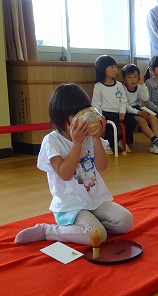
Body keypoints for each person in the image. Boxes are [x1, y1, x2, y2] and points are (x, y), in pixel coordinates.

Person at [14, 83, 133, 245]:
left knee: (125, 220)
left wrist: (97, 138)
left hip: (94, 200)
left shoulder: (89, 137)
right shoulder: (52, 141)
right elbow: (65, 173)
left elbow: (102, 166)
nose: (83, 121)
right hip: (70, 206)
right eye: (75, 116)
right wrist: (77, 143)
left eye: (84, 113)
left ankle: (90, 229)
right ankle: (48, 230)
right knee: (96, 235)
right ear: (60, 118)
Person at [92, 55, 137, 155]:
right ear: (103, 69)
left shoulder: (119, 85)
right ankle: (107, 143)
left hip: (119, 112)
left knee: (132, 121)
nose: (115, 70)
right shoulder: (98, 86)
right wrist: (99, 116)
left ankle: (121, 141)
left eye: (115, 67)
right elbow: (96, 103)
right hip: (106, 113)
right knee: (112, 121)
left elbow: (123, 100)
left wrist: (122, 112)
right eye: (111, 67)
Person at [121, 63, 158, 154]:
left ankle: (154, 145)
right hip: (128, 110)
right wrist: (138, 113)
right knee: (142, 121)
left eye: (135, 76)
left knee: (153, 118)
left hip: (138, 108)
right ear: (124, 79)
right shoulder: (122, 88)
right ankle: (157, 141)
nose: (133, 80)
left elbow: (145, 98)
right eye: (129, 77)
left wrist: (143, 84)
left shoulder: (139, 87)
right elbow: (125, 106)